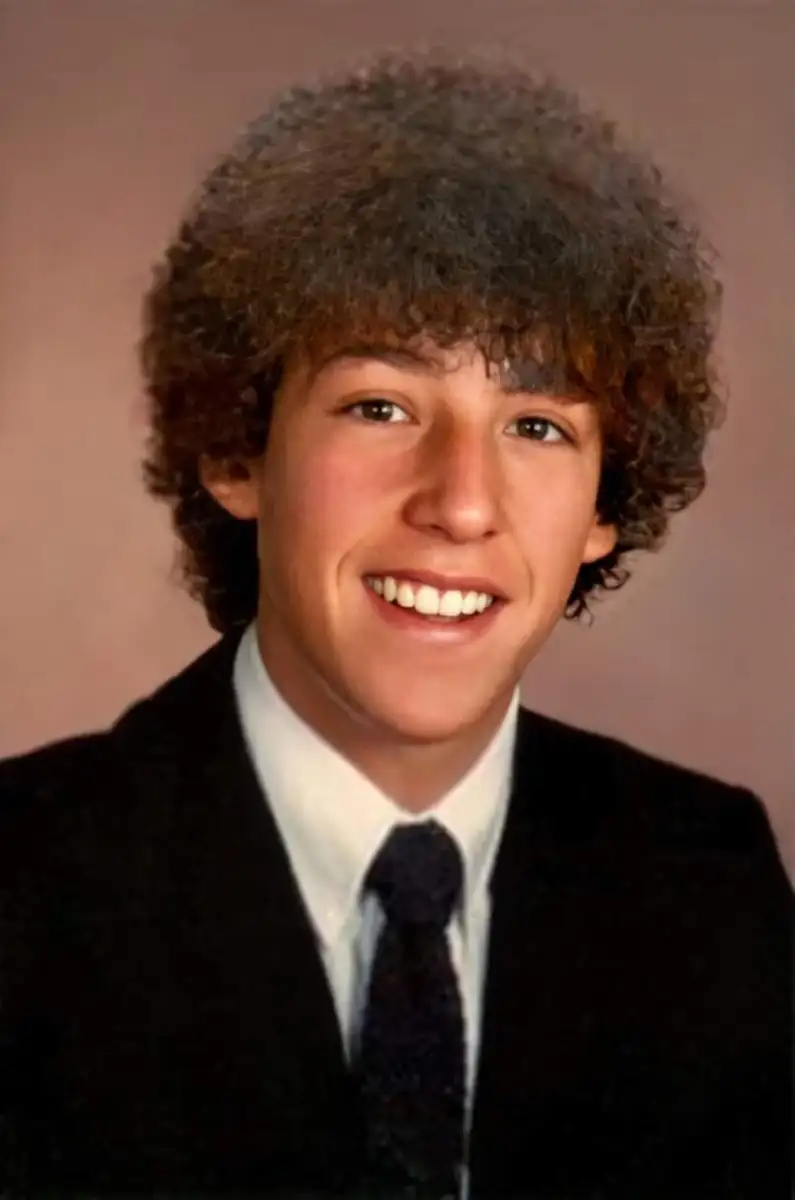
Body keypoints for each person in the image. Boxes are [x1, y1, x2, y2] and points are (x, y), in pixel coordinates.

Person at [0, 50, 791, 1200]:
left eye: (537, 427)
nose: (462, 503)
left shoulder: (709, 885)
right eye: (381, 406)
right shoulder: (20, 893)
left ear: (604, 512)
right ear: (235, 449)